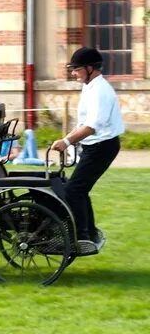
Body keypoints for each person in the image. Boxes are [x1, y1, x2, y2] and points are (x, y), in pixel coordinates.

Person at [52, 46, 123, 254]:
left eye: (76, 69)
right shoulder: (90, 86)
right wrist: (69, 142)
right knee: (79, 188)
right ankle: (89, 233)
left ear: (90, 68)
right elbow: (82, 122)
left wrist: (66, 141)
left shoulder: (100, 91)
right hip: (96, 146)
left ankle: (82, 237)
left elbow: (91, 126)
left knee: (74, 190)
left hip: (103, 146)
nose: (73, 73)